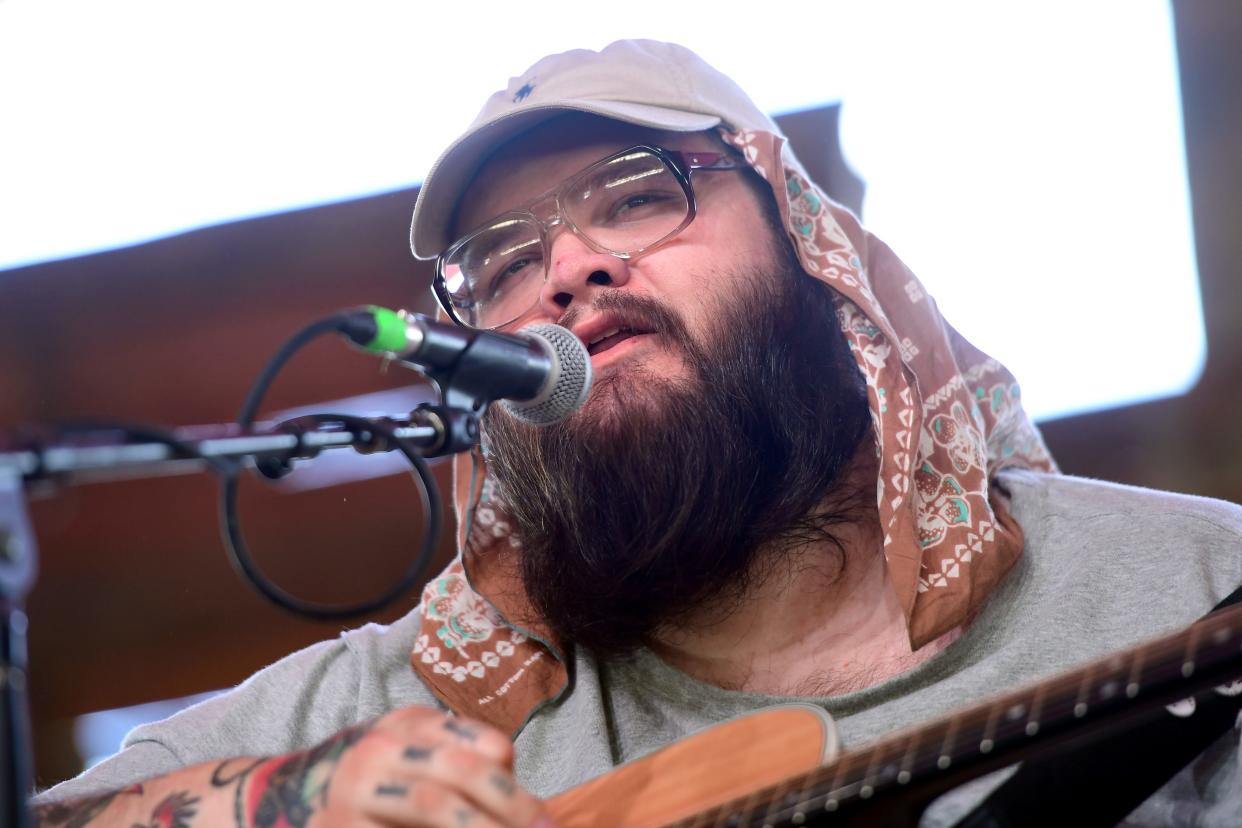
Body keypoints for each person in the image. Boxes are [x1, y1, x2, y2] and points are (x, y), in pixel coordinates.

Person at [32, 40, 1242, 827]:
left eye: (639, 193)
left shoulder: (1194, 585)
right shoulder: (403, 707)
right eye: (502, 262)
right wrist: (275, 804)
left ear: (813, 252)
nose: (566, 266)